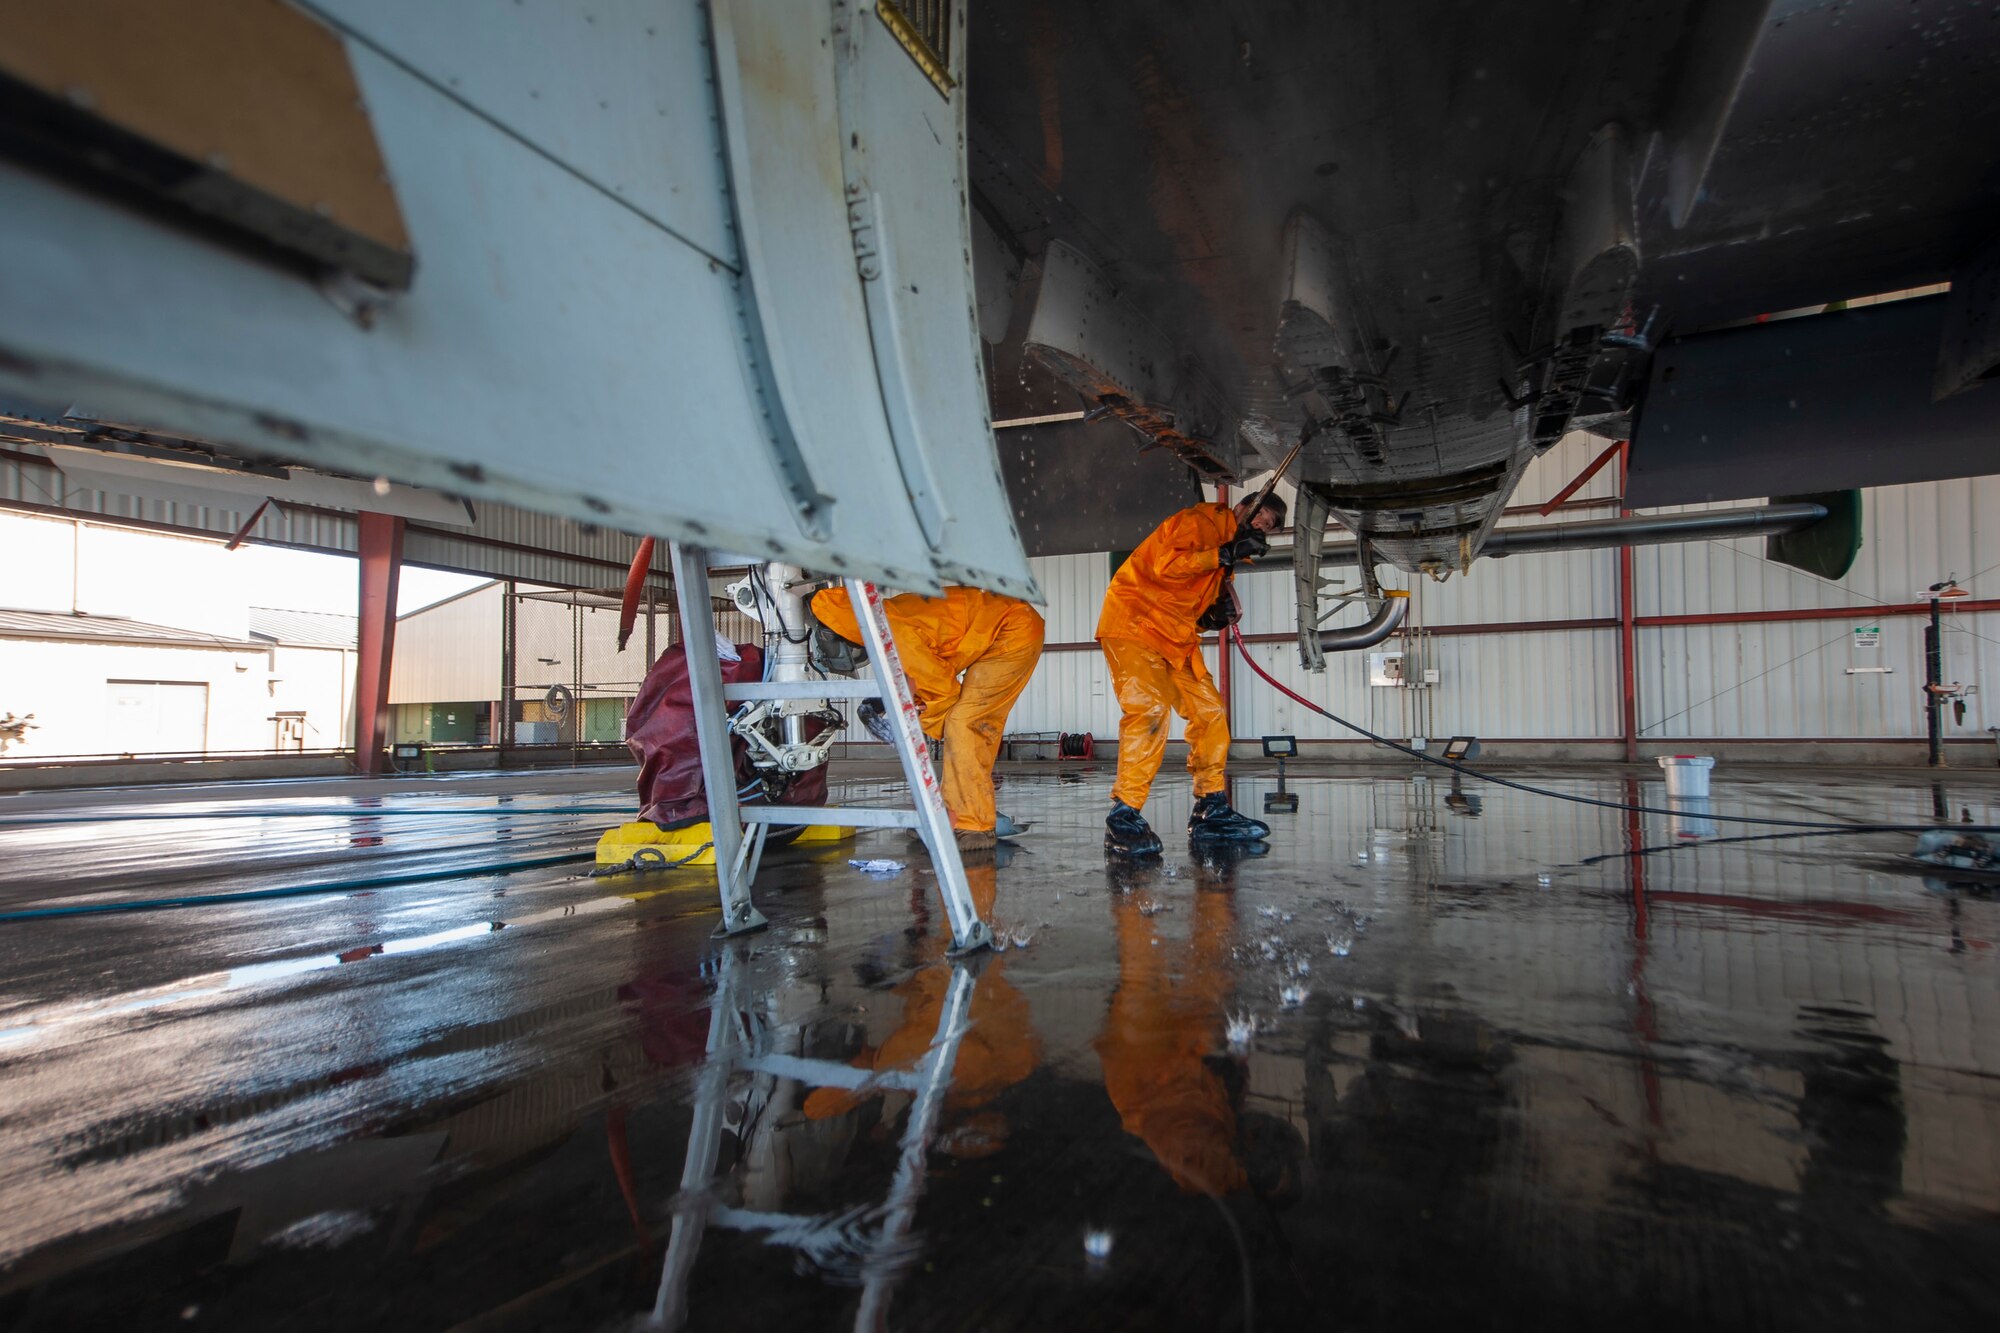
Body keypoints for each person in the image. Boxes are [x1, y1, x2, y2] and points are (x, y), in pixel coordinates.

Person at [1096, 490, 1284, 855]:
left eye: (1270, 524)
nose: (1263, 524)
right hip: (1134, 623)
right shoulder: (1200, 522)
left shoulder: (1225, 560)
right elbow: (1166, 566)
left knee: (1210, 713)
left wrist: (1208, 617)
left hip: (1175, 638)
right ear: (1241, 508)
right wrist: (1223, 554)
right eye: (1261, 515)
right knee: (1148, 711)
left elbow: (1182, 600)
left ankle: (1211, 810)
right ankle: (1123, 816)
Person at [810, 584, 1045, 852]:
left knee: (965, 725)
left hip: (1014, 630)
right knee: (959, 724)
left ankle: (973, 826)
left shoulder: (892, 633)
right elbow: (923, 671)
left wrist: (909, 731)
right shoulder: (882, 620)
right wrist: (884, 703)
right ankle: (949, 813)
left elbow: (939, 689)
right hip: (1001, 627)